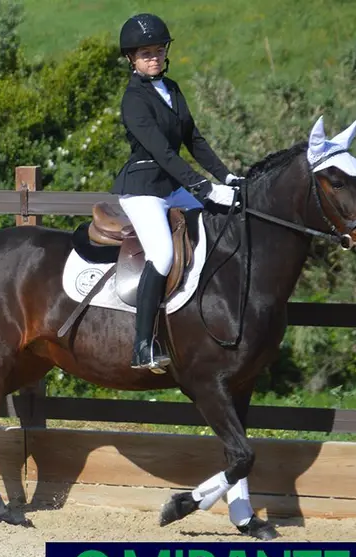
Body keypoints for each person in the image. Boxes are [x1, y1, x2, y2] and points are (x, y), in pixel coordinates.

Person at [110, 13, 241, 372]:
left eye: (157, 50)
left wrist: (227, 177)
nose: (152, 57)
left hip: (173, 185)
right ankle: (143, 345)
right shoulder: (133, 100)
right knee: (163, 254)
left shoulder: (174, 90)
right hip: (143, 189)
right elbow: (162, 153)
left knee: (224, 219)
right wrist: (201, 186)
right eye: (144, 53)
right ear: (131, 59)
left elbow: (193, 141)